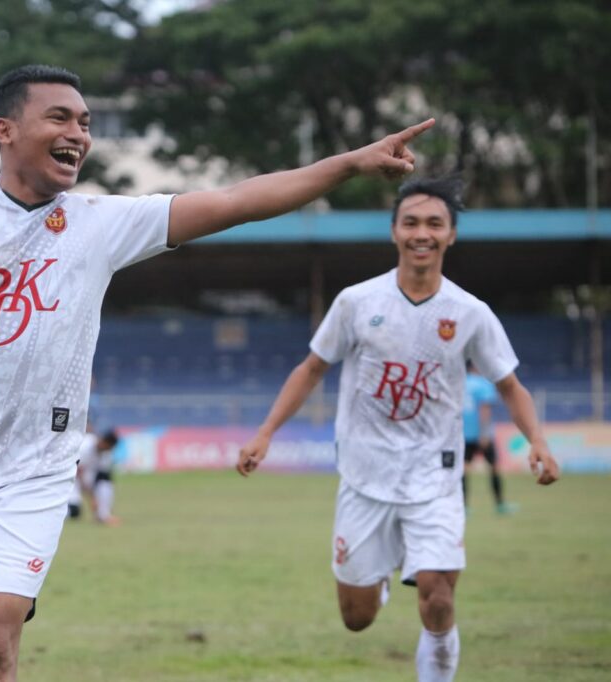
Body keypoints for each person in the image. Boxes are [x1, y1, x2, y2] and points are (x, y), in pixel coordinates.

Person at [0, 63, 433, 682]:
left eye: (85, 123)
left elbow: (237, 199)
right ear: (6, 131)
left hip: (35, 468)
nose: (79, 134)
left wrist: (348, 163)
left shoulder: (102, 224)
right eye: (61, 118)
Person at [236, 176, 560, 682]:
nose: (421, 233)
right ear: (394, 232)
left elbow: (510, 385)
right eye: (410, 222)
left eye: (435, 223)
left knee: (437, 596)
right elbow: (311, 370)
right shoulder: (356, 303)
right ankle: (378, 582)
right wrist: (265, 433)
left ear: (451, 235)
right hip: (365, 478)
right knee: (357, 618)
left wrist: (537, 441)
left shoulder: (470, 313)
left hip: (435, 477)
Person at [463, 362, 517, 514]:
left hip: (462, 434)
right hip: (481, 433)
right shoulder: (483, 384)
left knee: (463, 470)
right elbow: (484, 409)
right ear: (477, 367)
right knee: (494, 467)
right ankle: (500, 504)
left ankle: (463, 506)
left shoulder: (460, 382)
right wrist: (484, 434)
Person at [79, 429, 120, 525]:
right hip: (72, 477)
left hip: (88, 475)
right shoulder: (85, 445)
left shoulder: (106, 454)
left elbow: (102, 476)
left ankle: (103, 515)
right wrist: (92, 498)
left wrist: (98, 501)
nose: (108, 450)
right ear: (103, 441)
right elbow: (78, 472)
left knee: (105, 480)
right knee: (74, 510)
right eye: (108, 447)